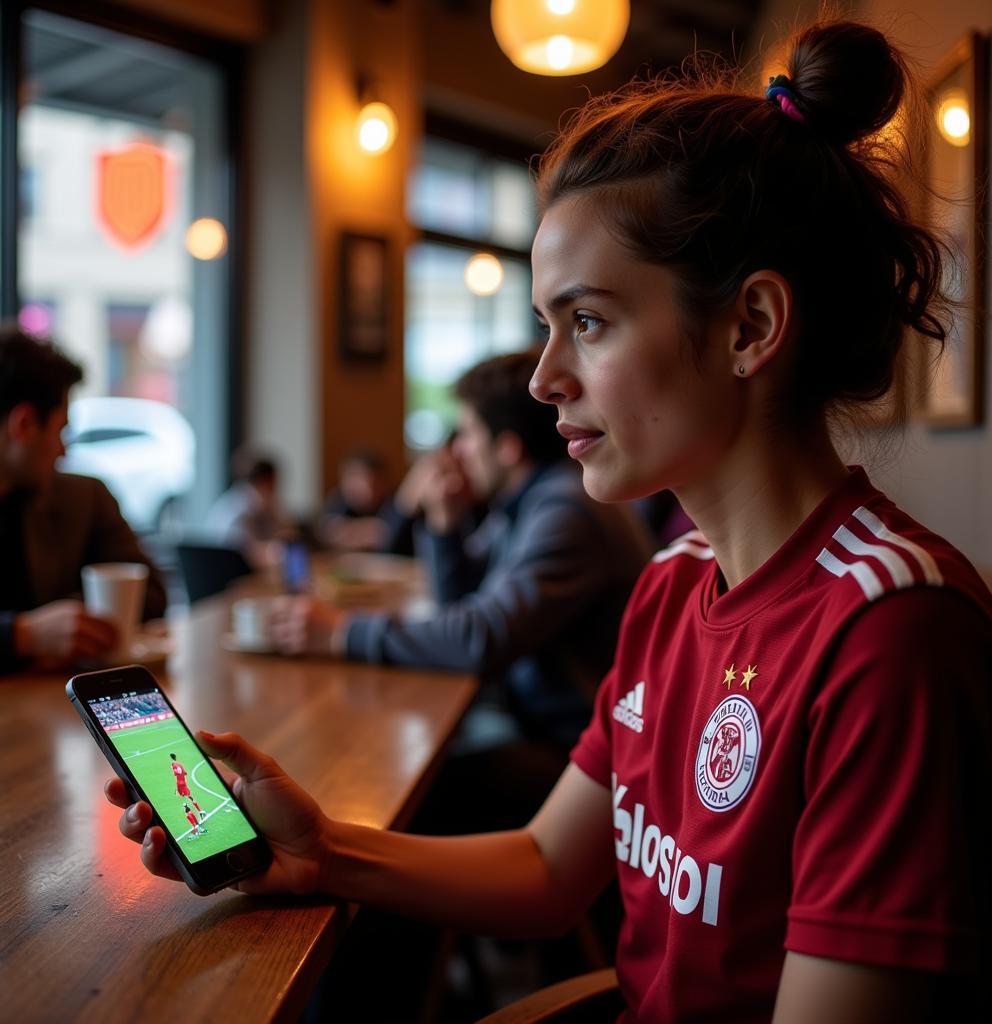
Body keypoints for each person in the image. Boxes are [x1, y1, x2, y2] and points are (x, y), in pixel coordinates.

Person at [108, 20, 991, 1021]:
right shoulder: (673, 582)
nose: (542, 378)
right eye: (546, 324)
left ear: (748, 327)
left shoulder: (889, 635)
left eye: (588, 321)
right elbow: (545, 868)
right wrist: (322, 850)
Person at [274, 349, 652, 759]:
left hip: (578, 750)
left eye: (468, 434)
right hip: (535, 719)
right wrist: (445, 525)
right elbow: (461, 606)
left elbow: (480, 640)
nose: (458, 452)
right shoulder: (525, 502)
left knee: (389, 758)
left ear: (507, 448)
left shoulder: (566, 509)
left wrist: (343, 633)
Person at [0, 326, 167, 684]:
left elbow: (151, 590)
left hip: (47, 713)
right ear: (24, 425)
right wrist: (24, 635)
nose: (64, 451)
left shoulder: (82, 498)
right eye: (61, 431)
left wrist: (74, 624)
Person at [206, 449, 292, 568]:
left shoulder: (236, 500)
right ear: (267, 482)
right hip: (229, 574)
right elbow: (250, 554)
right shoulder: (241, 508)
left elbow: (285, 533)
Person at [170, 753, 204, 818]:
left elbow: (176, 777)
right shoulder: (180, 765)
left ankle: (191, 814)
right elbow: (185, 774)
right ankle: (200, 811)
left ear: (171, 758)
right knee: (190, 797)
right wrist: (185, 784)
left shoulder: (173, 766)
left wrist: (177, 788)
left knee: (182, 797)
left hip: (179, 784)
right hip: (184, 783)